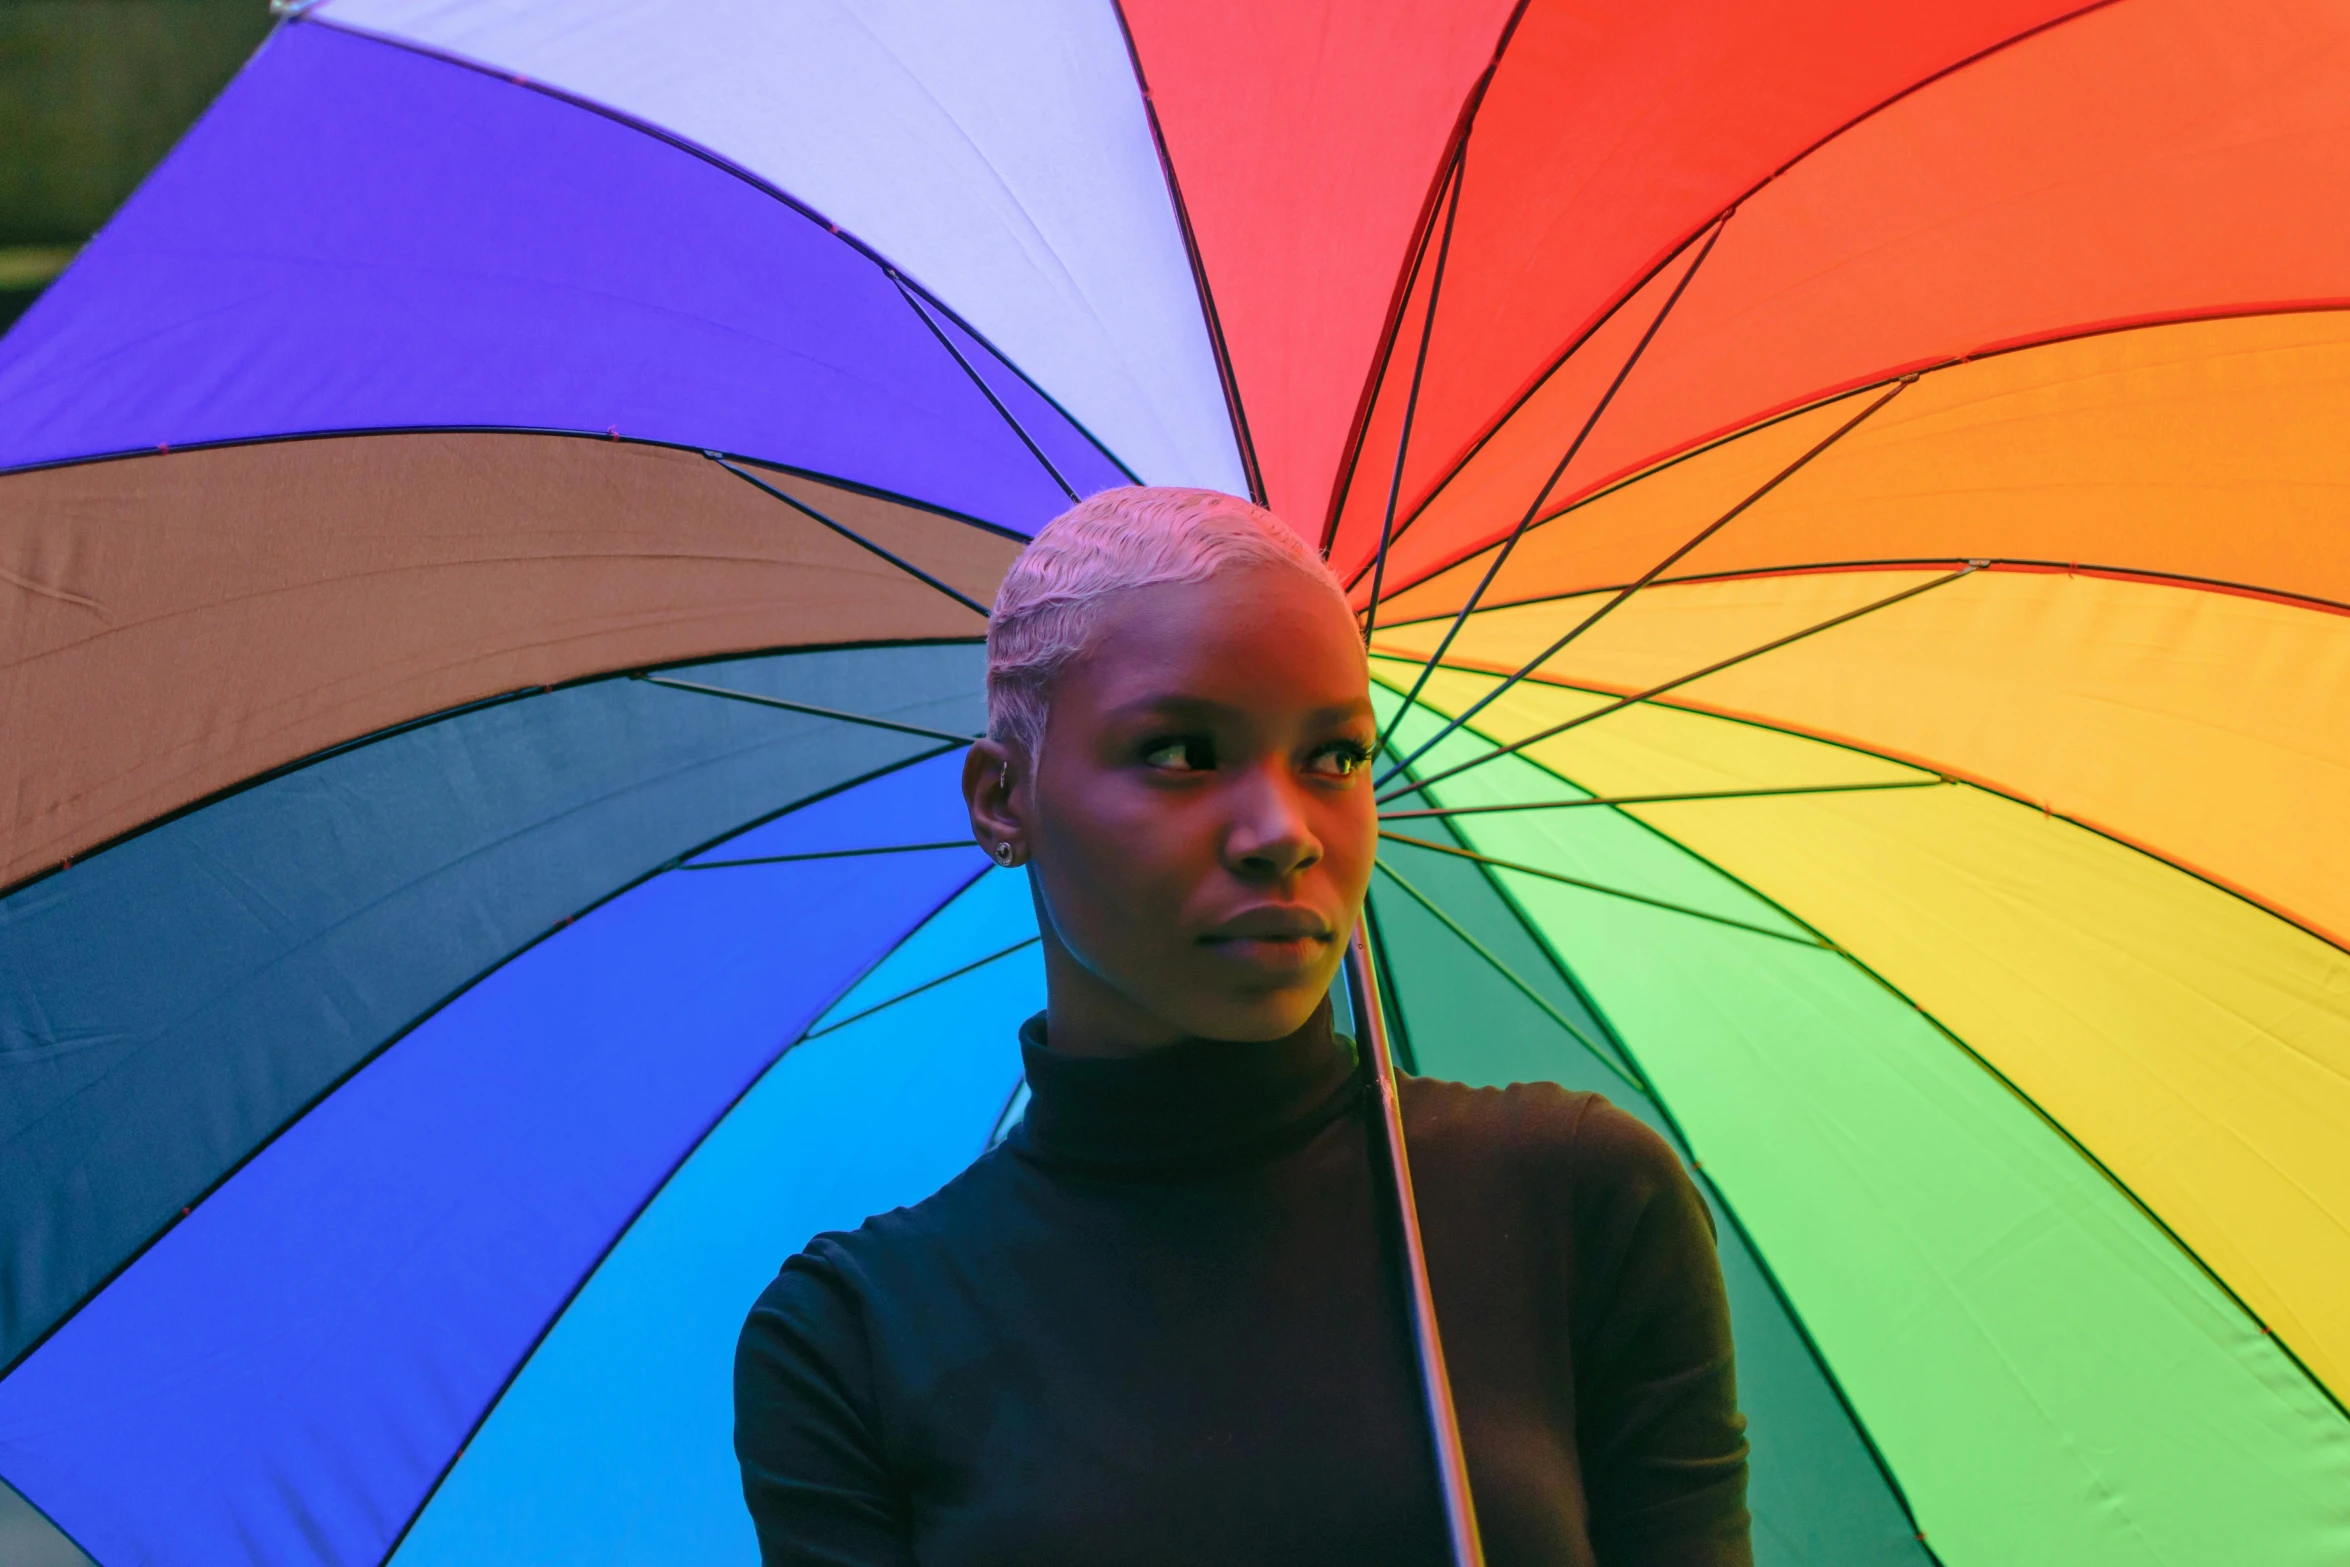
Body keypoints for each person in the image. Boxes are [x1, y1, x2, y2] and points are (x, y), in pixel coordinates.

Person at [734, 487, 1751, 1566]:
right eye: (1182, 753)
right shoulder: (855, 1340)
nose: (1282, 833)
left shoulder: (1579, 1200)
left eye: (1336, 758)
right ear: (1002, 797)